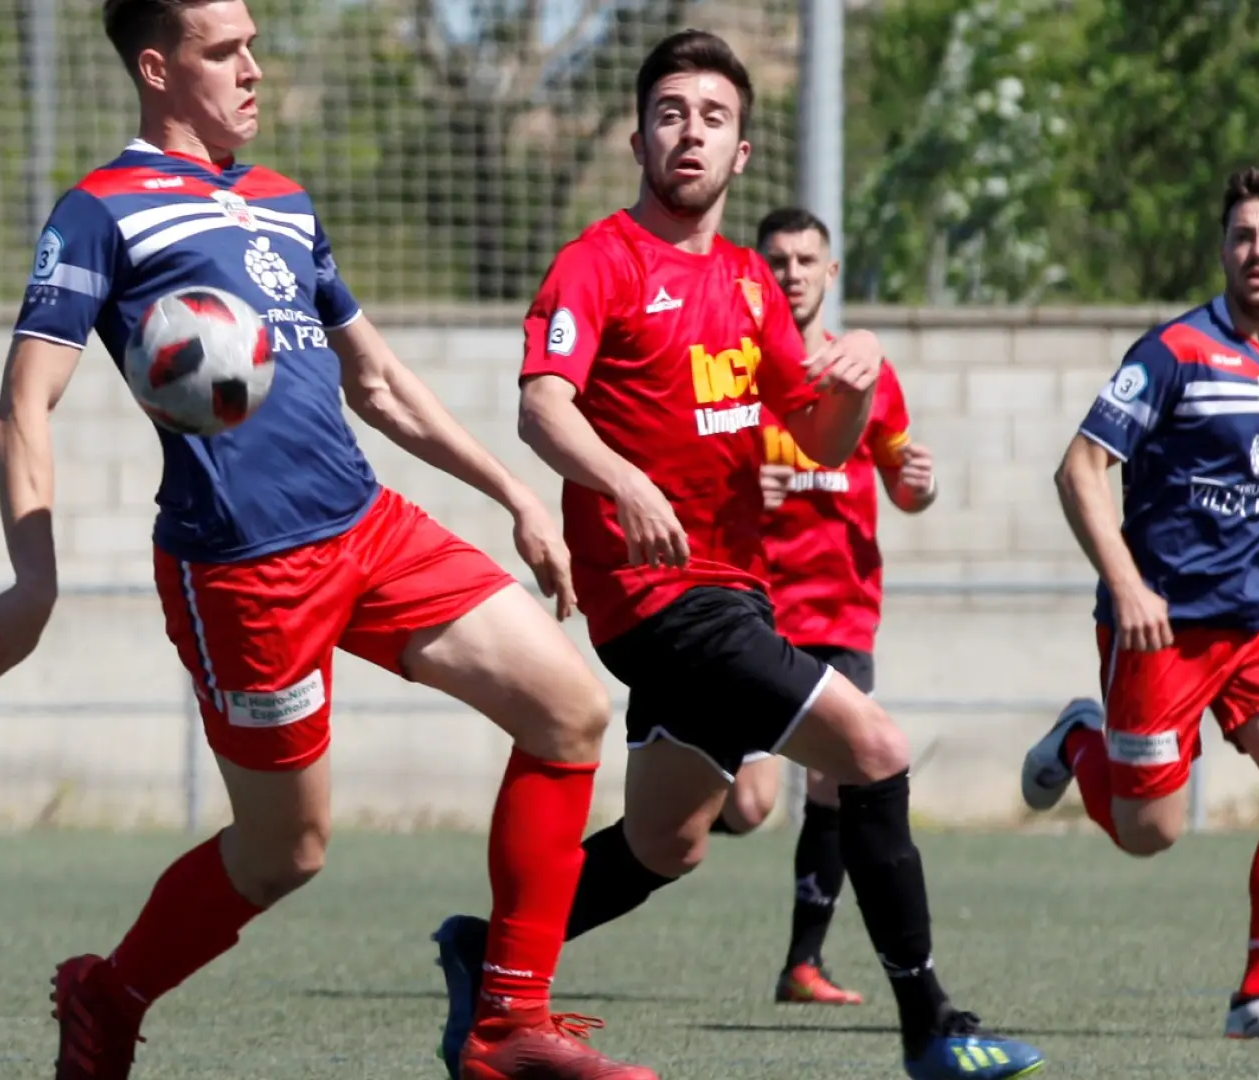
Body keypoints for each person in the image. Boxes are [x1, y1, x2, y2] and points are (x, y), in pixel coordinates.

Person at [0, 3, 655, 1078]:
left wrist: (514, 490)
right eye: (225, 50)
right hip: (243, 574)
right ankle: (109, 990)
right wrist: (33, 580)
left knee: (568, 707)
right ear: (157, 68)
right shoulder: (98, 212)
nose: (253, 69)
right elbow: (22, 405)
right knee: (287, 853)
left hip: (368, 530)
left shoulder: (282, 203)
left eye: (254, 45)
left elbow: (376, 382)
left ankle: (509, 1026)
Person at [431, 31, 1041, 1080]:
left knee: (668, 841)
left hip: (732, 599)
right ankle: (932, 1026)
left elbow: (820, 438)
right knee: (877, 750)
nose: (690, 133)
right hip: (661, 601)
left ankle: (487, 957)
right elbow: (541, 408)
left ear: (742, 152)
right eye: (671, 113)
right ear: (637, 136)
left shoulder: (754, 284)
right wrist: (622, 481)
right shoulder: (599, 262)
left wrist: (859, 374)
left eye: (713, 118)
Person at [1022, 165, 1259, 1041]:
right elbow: (1080, 470)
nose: (1255, 250)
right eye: (1241, 235)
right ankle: (1082, 737)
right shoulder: (1172, 352)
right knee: (1149, 832)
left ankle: (1257, 997)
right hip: (1159, 629)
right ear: (1223, 250)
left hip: (1256, 623)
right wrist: (1126, 584)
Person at [705, 207, 938, 1008]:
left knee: (837, 785)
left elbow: (905, 482)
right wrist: (747, 487)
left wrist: (920, 484)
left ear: (830, 274)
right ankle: (681, 827)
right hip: (755, 609)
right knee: (750, 802)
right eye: (777, 259)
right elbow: (694, 473)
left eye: (808, 259)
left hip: (841, 612)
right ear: (757, 270)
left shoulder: (864, 372)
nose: (792, 272)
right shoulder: (734, 367)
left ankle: (802, 964)